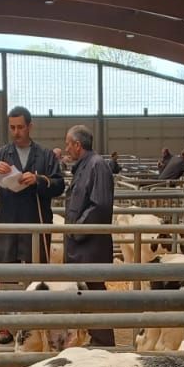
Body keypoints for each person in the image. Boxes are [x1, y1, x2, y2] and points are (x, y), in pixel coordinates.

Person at [0, 106, 64, 342]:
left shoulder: (45, 155)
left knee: (37, 271)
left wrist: (39, 180)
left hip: (37, 222)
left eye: (20, 127)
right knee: (7, 271)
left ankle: (36, 323)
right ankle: (7, 325)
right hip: (8, 223)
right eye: (12, 127)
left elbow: (60, 184)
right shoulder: (1, 154)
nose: (16, 132)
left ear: (30, 126)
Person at [62, 124, 115, 348]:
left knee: (94, 293)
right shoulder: (85, 166)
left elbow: (100, 206)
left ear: (77, 144)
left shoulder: (97, 166)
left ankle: (103, 343)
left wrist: (77, 230)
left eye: (68, 144)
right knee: (87, 293)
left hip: (90, 245)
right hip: (82, 246)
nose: (66, 148)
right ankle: (95, 339)